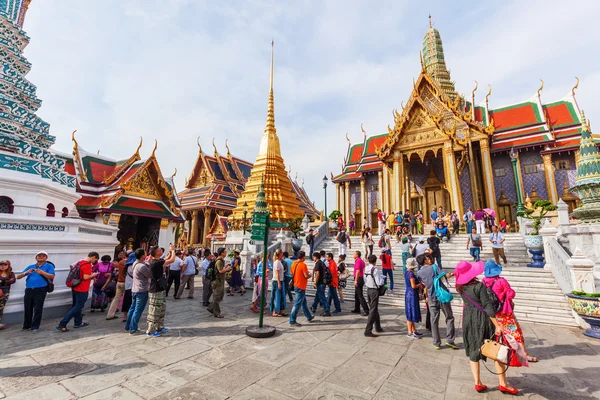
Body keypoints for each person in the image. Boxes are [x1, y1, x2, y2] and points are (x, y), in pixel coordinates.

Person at [454, 260, 519, 395]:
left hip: (468, 318)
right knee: (495, 347)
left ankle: (477, 383)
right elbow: (487, 307)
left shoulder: (459, 286)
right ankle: (503, 383)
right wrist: (497, 325)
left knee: (474, 349)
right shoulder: (479, 286)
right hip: (482, 318)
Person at [483, 260, 535, 365]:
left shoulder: (484, 281)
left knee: (501, 332)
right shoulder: (501, 281)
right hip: (505, 311)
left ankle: (502, 352)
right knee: (515, 332)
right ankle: (523, 354)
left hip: (494, 312)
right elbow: (511, 294)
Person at [417, 253, 457, 350]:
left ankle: (436, 342)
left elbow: (424, 284)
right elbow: (445, 275)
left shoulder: (419, 273)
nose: (429, 259)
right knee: (449, 317)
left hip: (431, 297)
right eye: (427, 258)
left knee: (434, 321)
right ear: (425, 260)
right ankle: (450, 340)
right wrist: (452, 274)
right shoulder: (434, 267)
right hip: (442, 297)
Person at [56, 252, 99, 332]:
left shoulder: (79, 262)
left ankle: (78, 322)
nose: (94, 262)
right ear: (93, 257)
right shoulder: (87, 265)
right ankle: (63, 323)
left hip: (75, 287)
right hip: (82, 288)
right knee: (78, 306)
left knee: (76, 305)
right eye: (95, 259)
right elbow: (85, 277)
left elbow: (74, 270)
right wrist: (93, 275)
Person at [17, 251, 55, 333]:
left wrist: (42, 272)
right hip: (29, 289)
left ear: (46, 258)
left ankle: (35, 326)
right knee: (27, 307)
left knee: (38, 308)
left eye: (43, 256)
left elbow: (52, 276)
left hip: (40, 289)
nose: (40, 257)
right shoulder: (31, 266)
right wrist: (26, 273)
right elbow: (18, 277)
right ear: (36, 258)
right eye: (39, 256)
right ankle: (27, 325)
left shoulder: (49, 266)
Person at [146, 245, 176, 337]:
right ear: (156, 253)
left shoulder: (157, 261)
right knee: (155, 310)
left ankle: (159, 326)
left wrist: (170, 253)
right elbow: (171, 260)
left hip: (160, 288)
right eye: (159, 250)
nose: (161, 251)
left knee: (161, 308)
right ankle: (151, 330)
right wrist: (173, 251)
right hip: (155, 289)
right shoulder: (155, 262)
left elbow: (166, 259)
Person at [125, 248, 151, 335]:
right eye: (145, 253)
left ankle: (128, 326)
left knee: (132, 308)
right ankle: (133, 328)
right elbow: (149, 275)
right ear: (143, 255)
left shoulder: (135, 263)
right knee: (138, 310)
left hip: (135, 289)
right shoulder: (142, 266)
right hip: (141, 290)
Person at [289, 251, 314, 326]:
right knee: (297, 304)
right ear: (303, 257)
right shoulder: (303, 265)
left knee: (303, 303)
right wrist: (311, 274)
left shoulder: (293, 263)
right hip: (301, 286)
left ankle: (309, 316)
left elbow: (291, 273)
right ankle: (292, 320)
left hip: (296, 284)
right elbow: (306, 276)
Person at [208, 248, 232, 318]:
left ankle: (210, 307)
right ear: (221, 253)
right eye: (225, 252)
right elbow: (220, 271)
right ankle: (216, 313)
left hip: (221, 281)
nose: (226, 253)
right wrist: (227, 269)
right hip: (217, 281)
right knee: (217, 297)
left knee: (220, 296)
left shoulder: (222, 261)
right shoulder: (219, 261)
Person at [364, 254, 384, 337]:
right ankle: (368, 330)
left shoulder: (366, 268)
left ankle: (378, 327)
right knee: (372, 310)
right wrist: (383, 280)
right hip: (374, 291)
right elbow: (379, 282)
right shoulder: (374, 270)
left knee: (374, 309)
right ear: (375, 261)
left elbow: (365, 279)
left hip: (368, 289)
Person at [404, 258, 424, 339]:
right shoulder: (411, 274)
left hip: (410, 293)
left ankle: (414, 330)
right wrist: (420, 284)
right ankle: (409, 332)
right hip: (411, 294)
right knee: (410, 312)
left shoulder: (407, 272)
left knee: (411, 312)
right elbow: (413, 286)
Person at [106, 252, 127, 320]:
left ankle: (110, 314)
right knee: (127, 299)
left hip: (118, 282)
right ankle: (125, 316)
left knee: (116, 299)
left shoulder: (119, 264)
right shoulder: (126, 263)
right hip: (125, 283)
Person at [310, 252, 331, 316]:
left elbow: (318, 273)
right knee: (317, 296)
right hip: (322, 282)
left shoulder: (318, 263)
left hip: (320, 282)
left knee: (322, 297)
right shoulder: (321, 263)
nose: (313, 258)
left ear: (316, 257)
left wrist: (315, 282)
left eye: (313, 257)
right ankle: (314, 306)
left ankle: (327, 310)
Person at [350, 250, 369, 316]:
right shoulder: (361, 261)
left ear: (357, 255)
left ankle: (366, 310)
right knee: (357, 295)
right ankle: (357, 308)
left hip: (358, 278)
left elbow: (358, 271)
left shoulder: (358, 261)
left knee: (360, 295)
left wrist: (356, 280)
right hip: (361, 278)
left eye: (354, 254)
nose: (353, 255)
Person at [270, 249, 287, 317]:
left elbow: (279, 272)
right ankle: (275, 310)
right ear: (279, 254)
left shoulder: (279, 262)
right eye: (281, 253)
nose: (282, 254)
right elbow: (277, 273)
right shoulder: (277, 262)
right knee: (276, 296)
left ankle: (280, 310)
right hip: (277, 281)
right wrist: (279, 283)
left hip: (281, 280)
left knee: (281, 296)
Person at [0, 260, 16, 330]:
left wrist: (3, 281)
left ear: (8, 266)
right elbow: (9, 281)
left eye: (5, 265)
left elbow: (13, 280)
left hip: (5, 293)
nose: (2, 266)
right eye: (1, 265)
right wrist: (6, 281)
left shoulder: (10, 273)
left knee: (1, 308)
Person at [122, 251, 135, 322]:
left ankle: (125, 316)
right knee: (130, 303)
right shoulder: (132, 267)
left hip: (128, 286)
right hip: (132, 286)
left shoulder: (127, 266)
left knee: (127, 302)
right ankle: (128, 316)